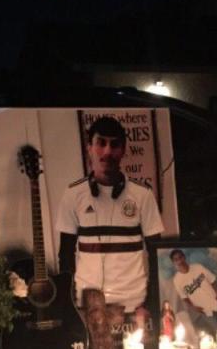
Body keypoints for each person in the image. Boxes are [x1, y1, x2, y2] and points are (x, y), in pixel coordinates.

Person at [56, 116, 164, 321]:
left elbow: (157, 253)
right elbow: (65, 255)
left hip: (134, 307)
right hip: (87, 307)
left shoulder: (143, 196)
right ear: (89, 147)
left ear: (123, 150)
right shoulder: (72, 195)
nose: (107, 151)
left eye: (114, 145)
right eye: (101, 143)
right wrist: (70, 304)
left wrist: (149, 303)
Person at [169, 248, 217, 335]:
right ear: (173, 262)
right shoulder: (177, 280)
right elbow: (184, 297)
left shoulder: (198, 267)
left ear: (184, 257)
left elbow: (212, 279)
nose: (179, 261)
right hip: (203, 309)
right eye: (176, 259)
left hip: (216, 301)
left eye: (180, 257)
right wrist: (193, 307)